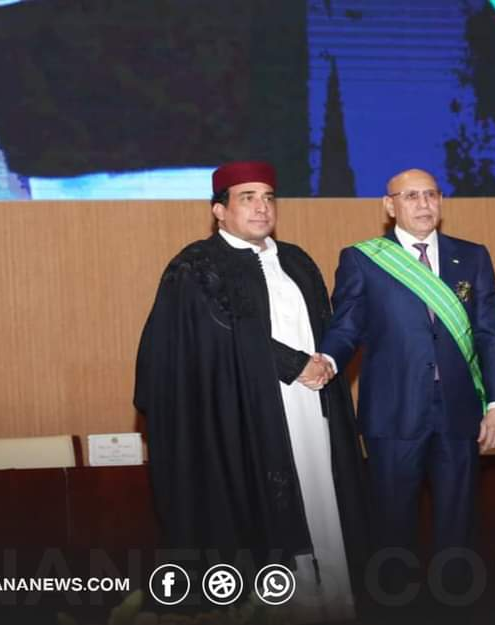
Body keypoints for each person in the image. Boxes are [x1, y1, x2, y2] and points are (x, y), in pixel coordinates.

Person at [134, 161, 368, 622]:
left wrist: (324, 363)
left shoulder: (297, 261)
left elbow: (327, 326)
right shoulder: (196, 266)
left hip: (311, 408)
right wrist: (292, 364)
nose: (262, 207)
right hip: (243, 417)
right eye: (247, 198)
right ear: (219, 210)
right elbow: (216, 338)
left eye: (268, 197)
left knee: (323, 500)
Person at [319, 168, 495, 601]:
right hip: (393, 412)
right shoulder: (363, 259)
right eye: (411, 196)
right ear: (389, 206)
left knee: (459, 525)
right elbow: (346, 326)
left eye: (431, 195)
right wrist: (327, 359)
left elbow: (490, 333)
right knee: (392, 526)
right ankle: (395, 608)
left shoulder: (472, 256)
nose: (424, 204)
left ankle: (456, 606)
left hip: (460, 412)